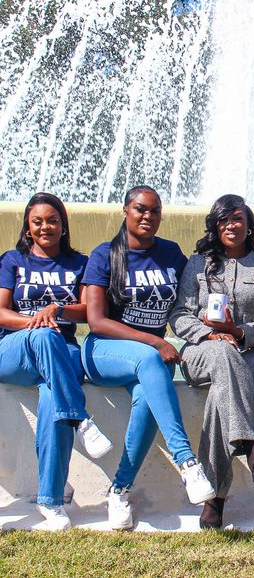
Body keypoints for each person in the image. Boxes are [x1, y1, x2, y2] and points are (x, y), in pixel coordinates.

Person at [81, 185, 214, 530]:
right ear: (125, 210)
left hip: (150, 359)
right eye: (141, 209)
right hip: (105, 351)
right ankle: (187, 461)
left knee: (147, 399)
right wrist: (155, 343)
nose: (148, 216)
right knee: (152, 361)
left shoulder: (170, 253)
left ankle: (119, 489)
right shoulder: (105, 254)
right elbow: (96, 320)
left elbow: (192, 297)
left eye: (155, 211)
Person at [169, 194, 254, 529]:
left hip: (253, 355)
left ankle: (214, 498)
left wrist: (237, 330)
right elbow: (179, 314)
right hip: (201, 351)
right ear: (215, 225)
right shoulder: (197, 263)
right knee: (221, 354)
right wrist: (209, 334)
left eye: (237, 219)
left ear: (248, 225)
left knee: (222, 396)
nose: (231, 226)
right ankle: (252, 448)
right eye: (223, 220)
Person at [0, 193, 112, 531]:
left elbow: (88, 311)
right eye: (38, 222)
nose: (45, 227)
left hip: (62, 353)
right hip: (15, 349)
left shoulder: (79, 263)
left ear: (63, 226)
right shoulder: (12, 260)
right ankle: (81, 420)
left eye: (52, 220)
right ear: (28, 227)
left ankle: (51, 501)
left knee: (53, 398)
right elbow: (1, 313)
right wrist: (36, 323)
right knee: (46, 336)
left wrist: (58, 310)